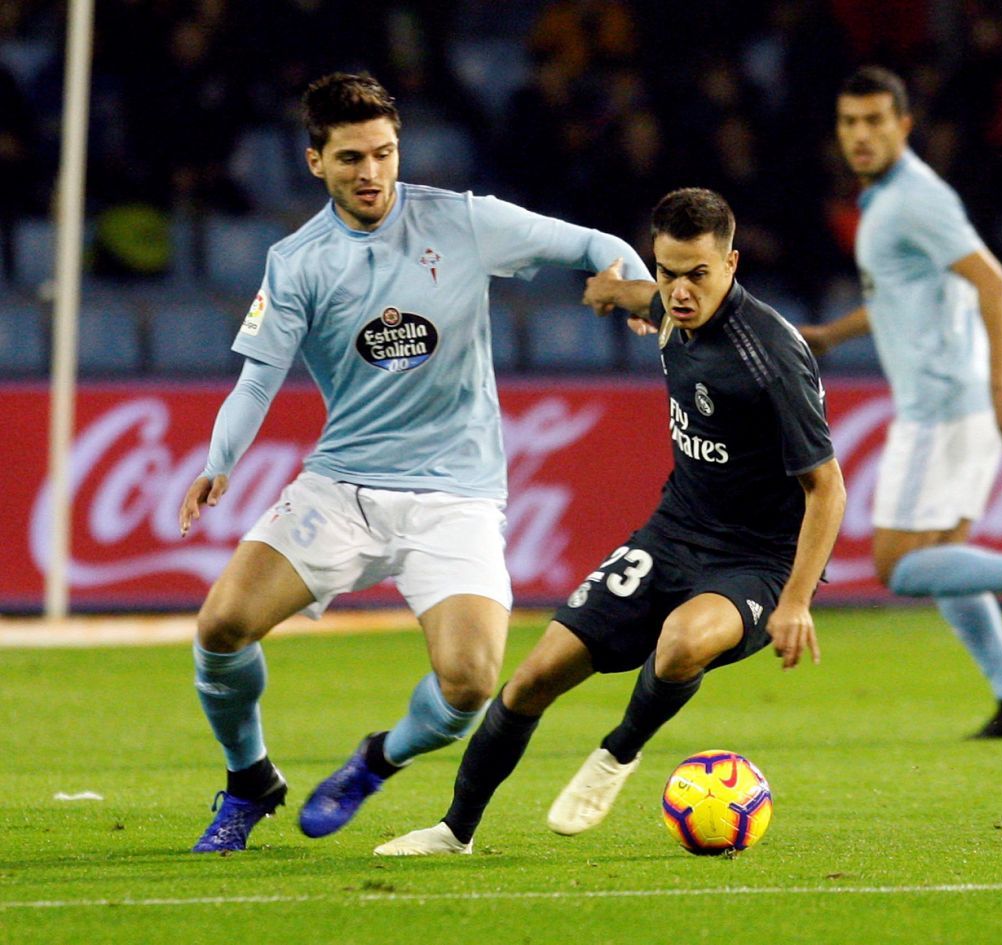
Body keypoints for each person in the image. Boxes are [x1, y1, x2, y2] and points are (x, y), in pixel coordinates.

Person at [178, 72, 653, 853]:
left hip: (455, 496)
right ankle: (249, 779)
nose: (372, 172)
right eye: (352, 157)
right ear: (314, 163)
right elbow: (260, 374)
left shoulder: (464, 222)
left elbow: (592, 244)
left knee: (469, 682)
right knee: (222, 625)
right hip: (342, 487)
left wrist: (629, 285)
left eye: (385, 153)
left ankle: (377, 759)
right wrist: (219, 459)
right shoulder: (297, 260)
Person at [370, 187, 846, 855]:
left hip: (759, 560)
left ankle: (618, 752)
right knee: (534, 677)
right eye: (668, 270)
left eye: (697, 274)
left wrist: (796, 600)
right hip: (673, 532)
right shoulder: (673, 307)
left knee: (681, 643)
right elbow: (635, 297)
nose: (679, 291)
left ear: (732, 264)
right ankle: (455, 830)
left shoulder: (770, 358)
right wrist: (609, 292)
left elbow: (826, 487)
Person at [799, 66, 1002, 739]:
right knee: (945, 561)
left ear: (904, 126)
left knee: (898, 564)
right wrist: (830, 334)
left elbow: (994, 284)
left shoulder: (915, 198)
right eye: (850, 122)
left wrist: (1000, 384)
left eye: (876, 121)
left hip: (943, 407)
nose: (861, 135)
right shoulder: (888, 200)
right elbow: (901, 296)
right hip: (951, 404)